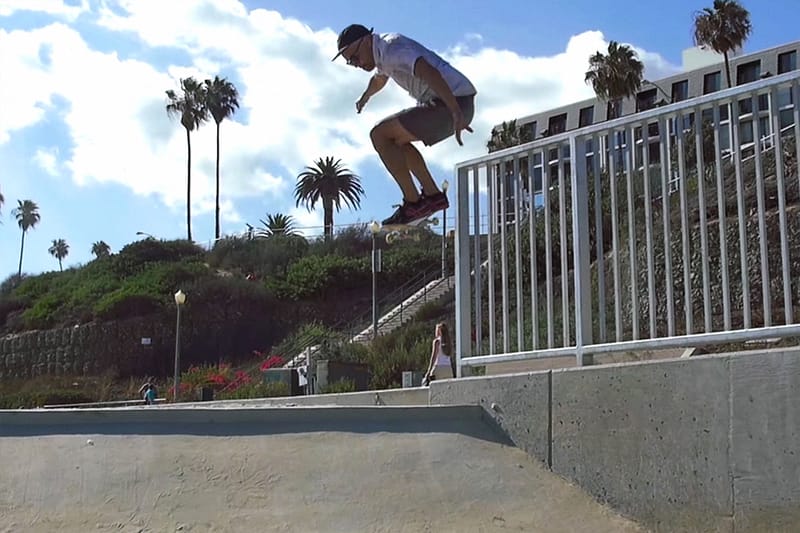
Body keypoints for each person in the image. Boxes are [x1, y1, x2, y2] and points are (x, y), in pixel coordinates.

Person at [332, 24, 477, 226]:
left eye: (355, 57)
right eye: (351, 63)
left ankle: (414, 203)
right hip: (451, 103)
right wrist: (366, 96)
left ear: (366, 41)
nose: (357, 64)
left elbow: (429, 73)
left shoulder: (393, 49)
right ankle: (433, 196)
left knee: (380, 135)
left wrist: (455, 111)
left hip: (452, 103)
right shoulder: (383, 54)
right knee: (395, 143)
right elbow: (380, 78)